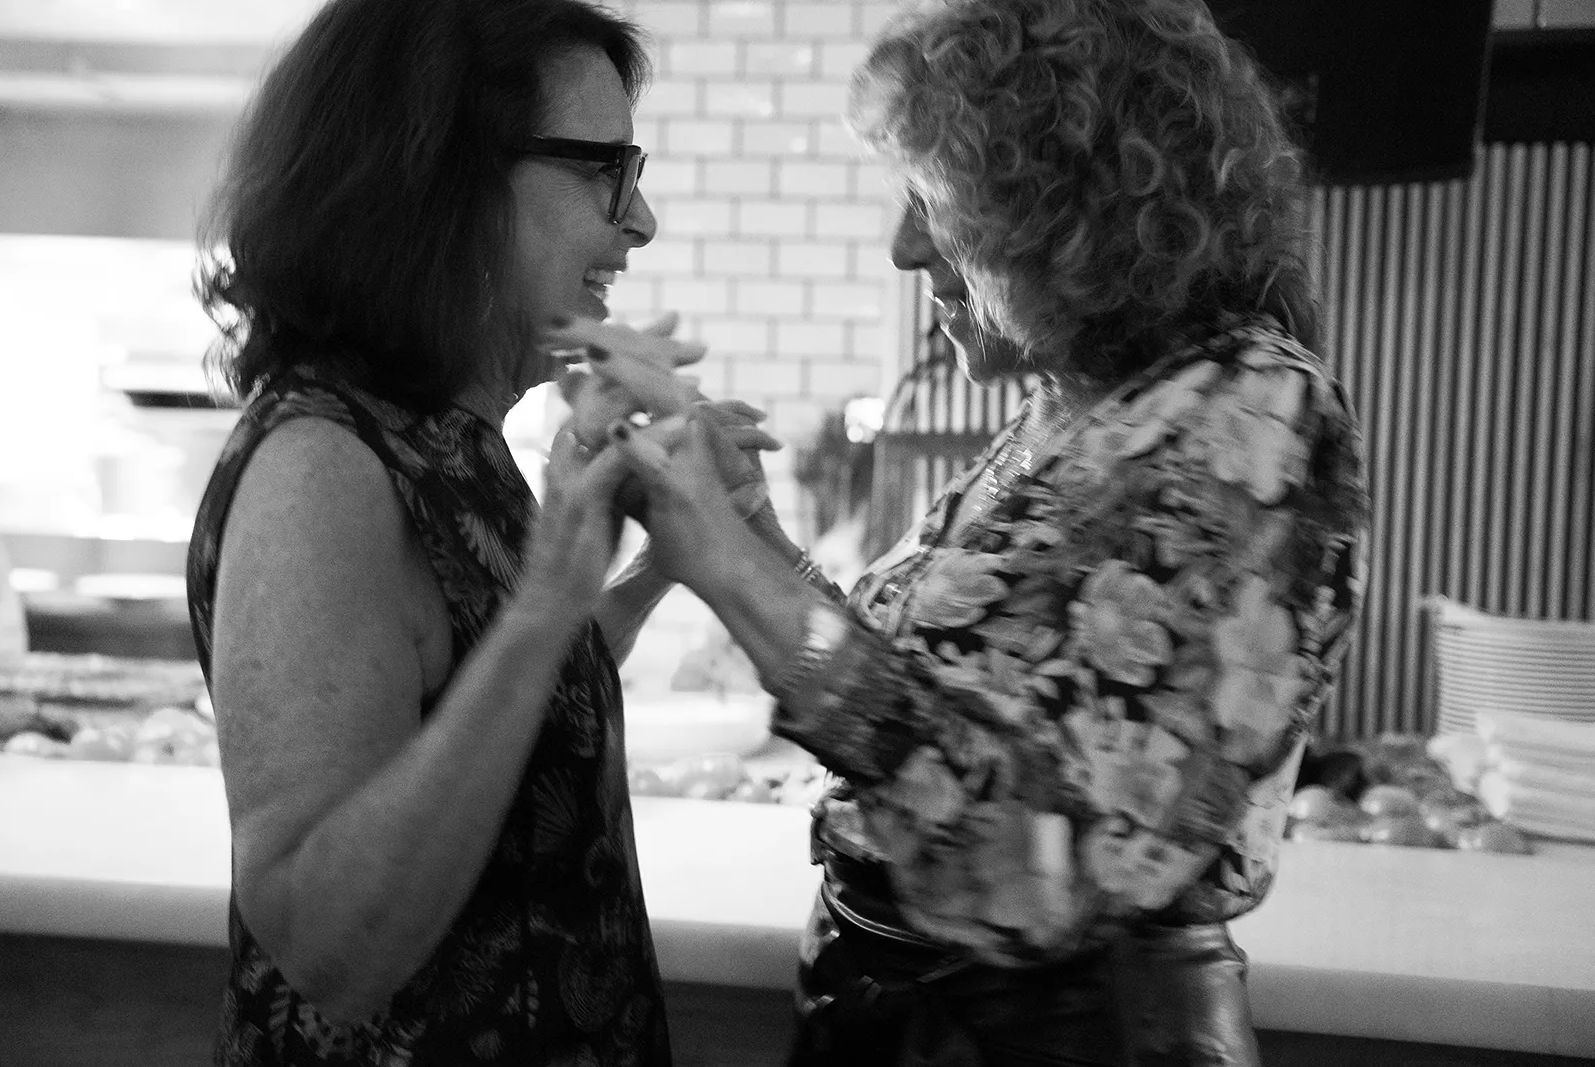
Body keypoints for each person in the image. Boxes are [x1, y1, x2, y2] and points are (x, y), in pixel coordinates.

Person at [571, 0, 1370, 1063]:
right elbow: (920, 701)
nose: (906, 248)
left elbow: (1046, 862)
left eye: (934, 200)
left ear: (1067, 206)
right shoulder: (1068, 412)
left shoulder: (1250, 406)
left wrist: (719, 557)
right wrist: (754, 532)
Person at [185, 0, 775, 1063]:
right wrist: (551, 588)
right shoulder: (325, 466)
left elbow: (487, 695)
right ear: (442, 179)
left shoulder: (451, 437)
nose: (639, 221)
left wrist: (646, 568)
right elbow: (328, 941)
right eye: (606, 168)